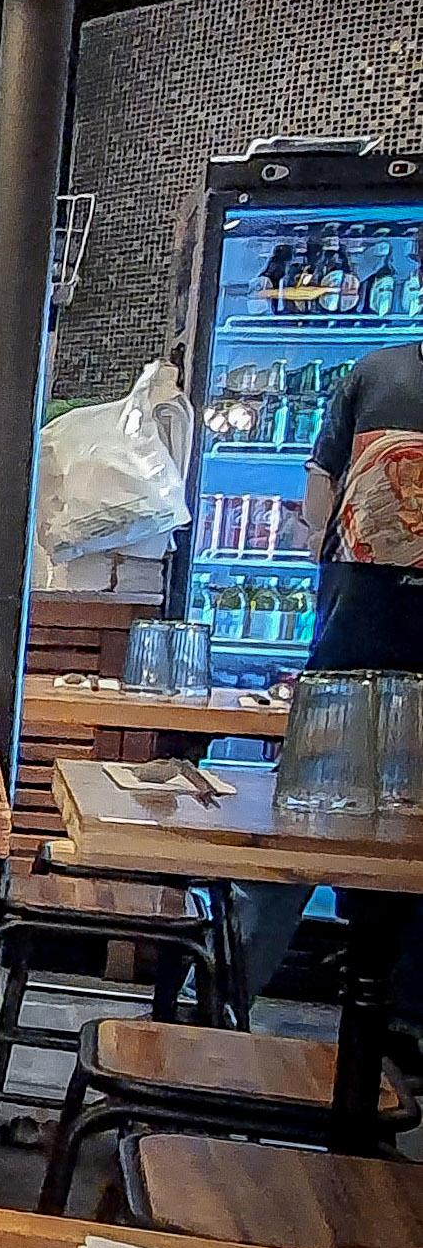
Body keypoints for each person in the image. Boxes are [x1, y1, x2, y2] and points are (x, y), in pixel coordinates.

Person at [240, 327, 423, 1017]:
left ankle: (400, 1012)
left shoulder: (377, 375)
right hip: (347, 655)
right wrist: (328, 537)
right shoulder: (377, 375)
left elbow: (321, 488)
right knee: (295, 827)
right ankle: (225, 994)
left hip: (354, 644)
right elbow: (321, 485)